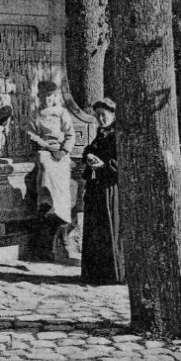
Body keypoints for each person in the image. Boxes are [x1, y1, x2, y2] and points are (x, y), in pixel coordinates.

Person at [80, 98, 126, 286]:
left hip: (110, 188)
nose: (100, 118)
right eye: (97, 115)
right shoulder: (101, 133)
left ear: (113, 114)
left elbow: (121, 161)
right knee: (96, 230)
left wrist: (104, 165)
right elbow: (90, 150)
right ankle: (96, 274)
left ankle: (113, 274)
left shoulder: (119, 134)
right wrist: (89, 155)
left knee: (109, 227)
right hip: (97, 187)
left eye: (103, 115)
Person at [28, 80, 76, 253]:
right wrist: (42, 143)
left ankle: (60, 209)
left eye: (50, 96)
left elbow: (70, 135)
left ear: (54, 97)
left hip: (60, 151)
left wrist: (63, 151)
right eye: (43, 96)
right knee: (44, 164)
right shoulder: (36, 114)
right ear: (39, 97)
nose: (47, 99)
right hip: (45, 150)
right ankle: (46, 200)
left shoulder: (62, 112)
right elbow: (31, 133)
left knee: (63, 172)